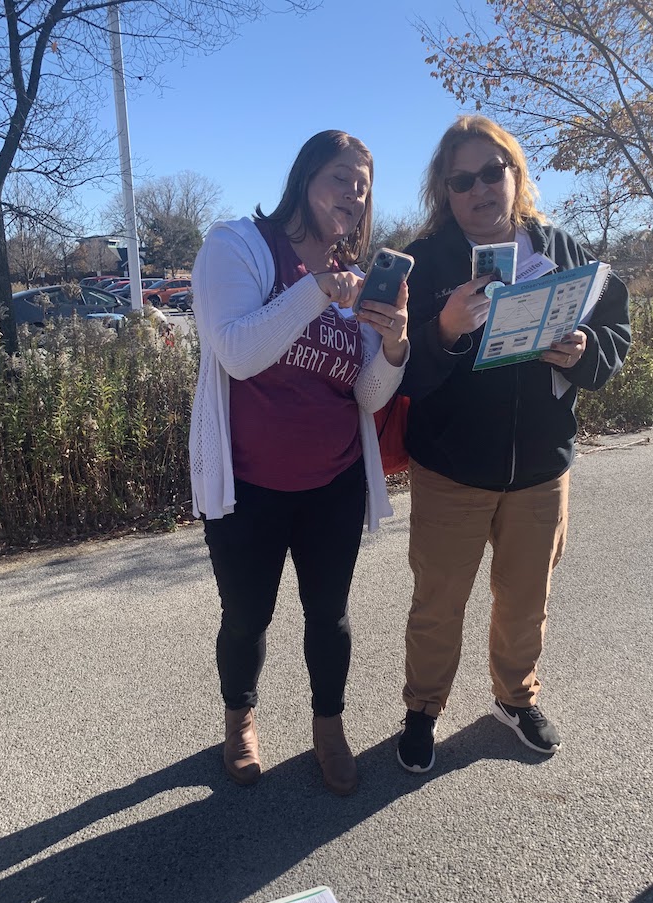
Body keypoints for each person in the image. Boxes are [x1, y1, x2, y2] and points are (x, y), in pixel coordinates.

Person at [396, 115, 630, 773]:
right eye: (461, 178)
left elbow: (616, 331)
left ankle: (514, 698)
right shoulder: (426, 261)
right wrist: (441, 330)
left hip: (540, 466)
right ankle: (422, 711)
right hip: (451, 467)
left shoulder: (563, 249)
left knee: (527, 599)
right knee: (438, 602)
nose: (479, 189)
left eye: (491, 172)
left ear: (514, 173)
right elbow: (399, 372)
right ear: (446, 190)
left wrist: (585, 352)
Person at [189, 131, 409, 795]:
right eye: (342, 177)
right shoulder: (237, 246)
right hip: (249, 485)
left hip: (333, 483)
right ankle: (240, 721)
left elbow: (367, 394)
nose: (354, 193)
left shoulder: (359, 283)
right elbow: (236, 352)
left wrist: (395, 346)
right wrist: (315, 290)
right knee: (247, 615)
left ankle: (329, 727)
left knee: (330, 616)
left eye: (364, 185)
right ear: (306, 177)